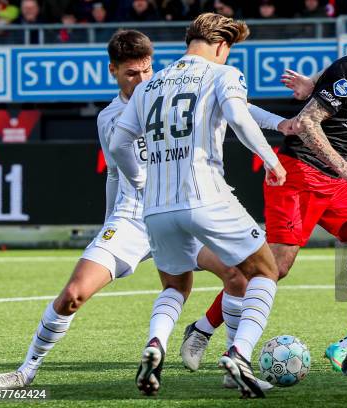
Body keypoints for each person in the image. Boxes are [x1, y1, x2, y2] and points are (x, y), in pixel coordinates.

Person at [181, 18, 347, 383]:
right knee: (273, 268)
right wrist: (345, 166)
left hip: (333, 181)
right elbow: (308, 124)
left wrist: (314, 87)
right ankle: (203, 329)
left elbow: (331, 98)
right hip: (298, 173)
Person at [109, 13, 287, 399]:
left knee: (175, 285)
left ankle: (155, 343)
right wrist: (271, 161)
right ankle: (239, 353)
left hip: (156, 208)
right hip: (206, 195)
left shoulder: (148, 85)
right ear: (221, 46)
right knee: (264, 270)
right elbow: (239, 117)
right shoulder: (224, 74)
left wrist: (139, 180)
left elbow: (119, 145)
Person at [0, 29, 158, 390]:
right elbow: (113, 172)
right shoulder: (108, 117)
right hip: (133, 217)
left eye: (146, 71)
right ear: (113, 71)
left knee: (247, 273)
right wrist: (109, 222)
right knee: (73, 294)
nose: (141, 81)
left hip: (184, 210)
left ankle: (232, 357)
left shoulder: (170, 100)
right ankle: (26, 371)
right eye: (131, 73)